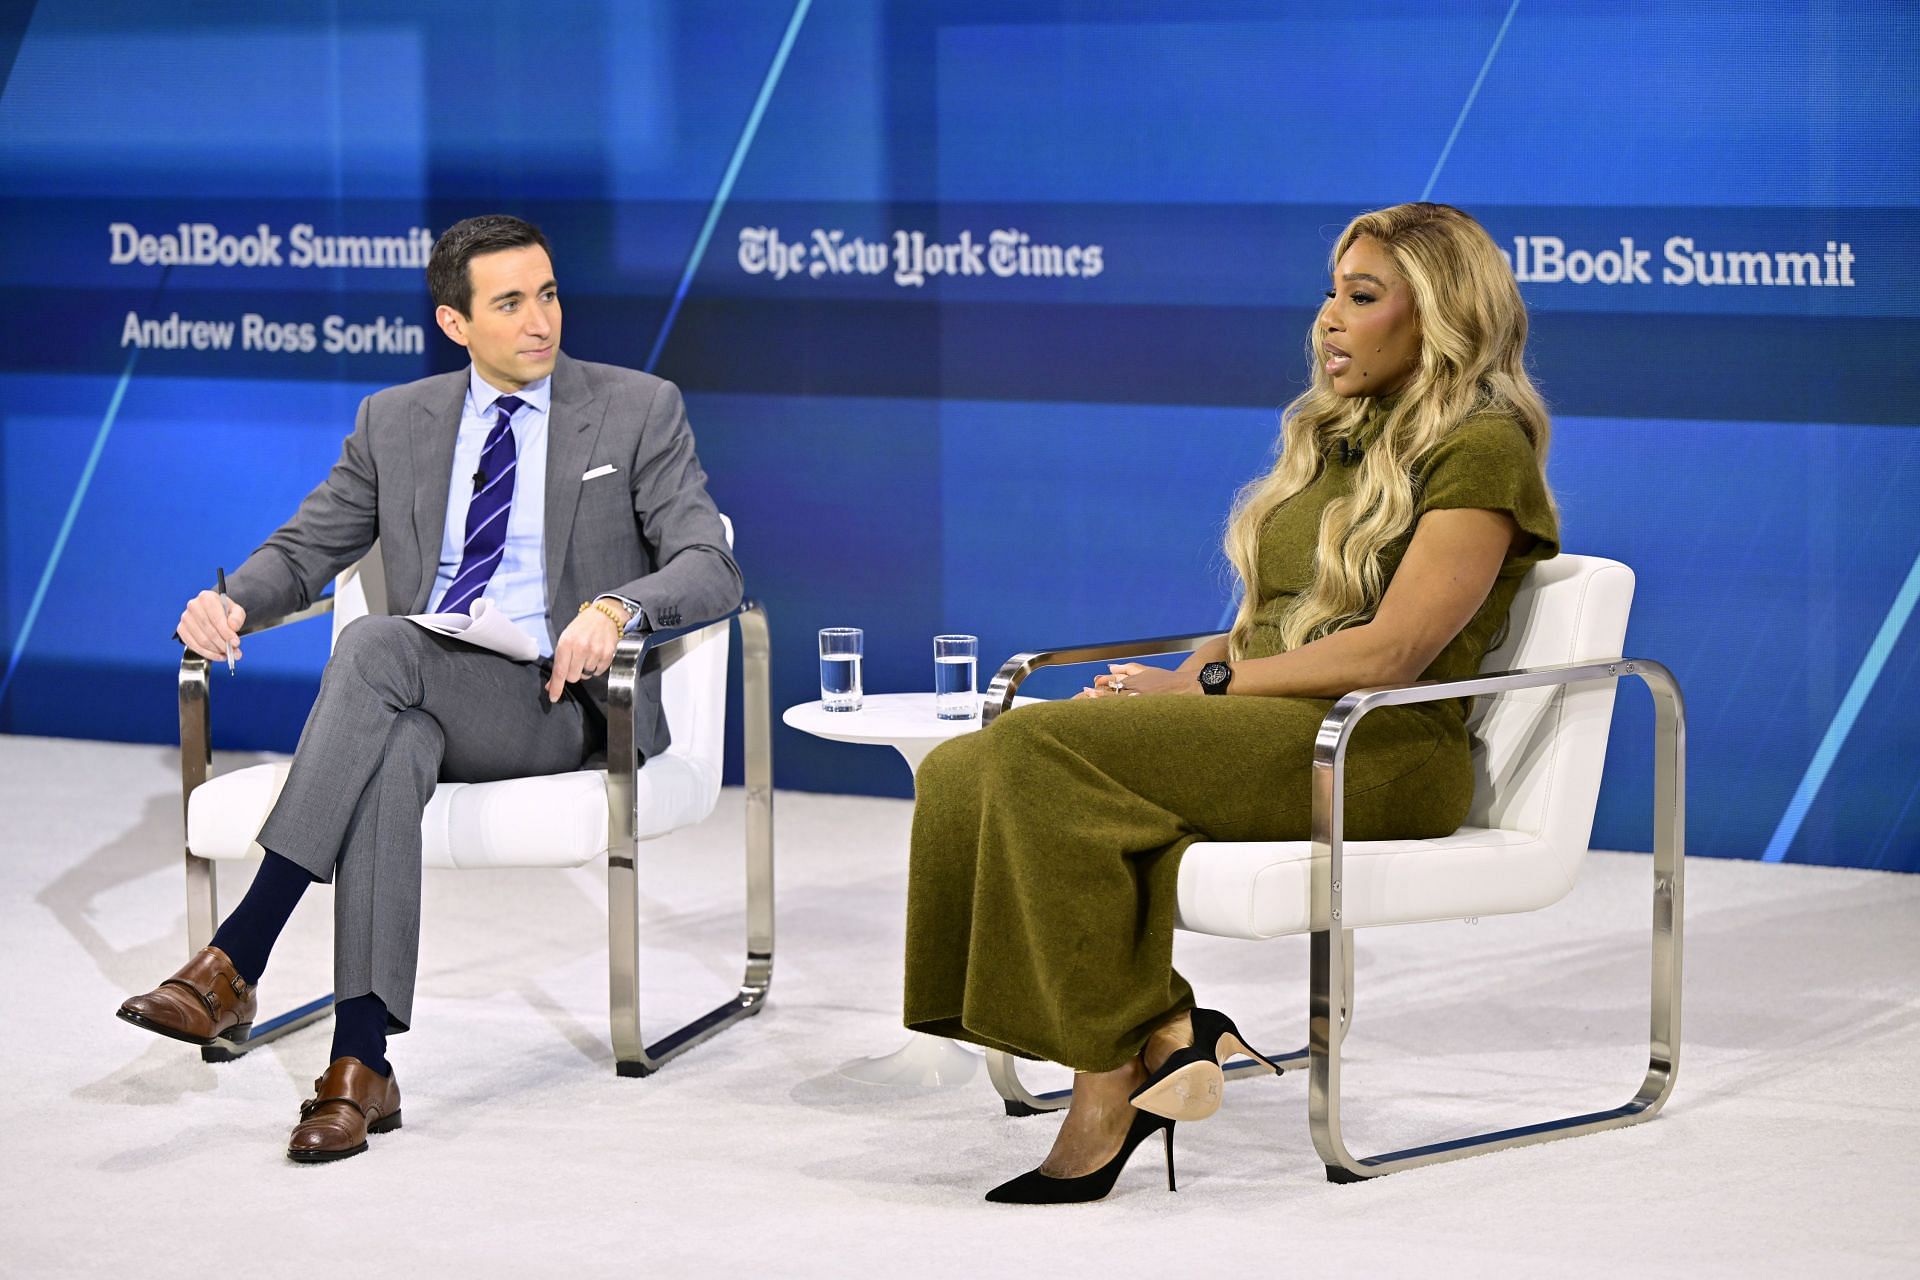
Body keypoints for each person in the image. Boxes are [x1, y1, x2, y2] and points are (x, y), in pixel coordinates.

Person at [902, 202, 1561, 1203]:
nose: (1329, 318)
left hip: (1380, 748)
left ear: (1438, 317)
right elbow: (1271, 626)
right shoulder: (1337, 434)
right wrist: (1187, 680)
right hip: (1282, 723)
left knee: (1041, 753)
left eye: (1363, 297)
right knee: (969, 763)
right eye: (1332, 291)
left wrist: (1201, 686)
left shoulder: (1482, 447)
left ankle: (1114, 1077)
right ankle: (1164, 1028)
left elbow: (1390, 651)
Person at [117, 214, 741, 1163]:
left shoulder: (636, 408)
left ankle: (239, 954)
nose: (540, 321)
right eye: (509, 303)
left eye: (549, 294)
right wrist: (228, 603)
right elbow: (304, 548)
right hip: (430, 685)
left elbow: (710, 564)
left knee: (371, 648)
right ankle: (357, 1065)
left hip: (560, 700)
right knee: (393, 737)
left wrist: (616, 606)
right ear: (456, 325)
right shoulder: (395, 420)